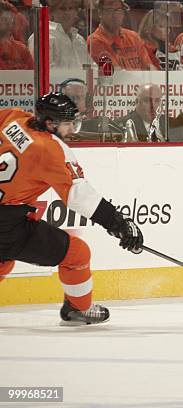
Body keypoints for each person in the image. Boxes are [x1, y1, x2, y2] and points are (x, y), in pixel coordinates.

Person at [0, 93, 144, 325]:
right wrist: (117, 222)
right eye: (68, 124)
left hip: (8, 220)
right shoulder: (50, 148)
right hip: (7, 224)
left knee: (3, 260)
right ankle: (78, 308)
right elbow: (79, 197)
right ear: (49, 123)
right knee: (76, 253)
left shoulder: (14, 118)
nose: (72, 129)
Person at [87, 0, 154, 70]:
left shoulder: (134, 37)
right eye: (110, 10)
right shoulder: (95, 41)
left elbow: (149, 67)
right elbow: (116, 73)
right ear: (100, 13)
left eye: (118, 10)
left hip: (141, 80)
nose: (115, 14)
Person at [27, 0, 92, 69]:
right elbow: (43, 72)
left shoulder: (79, 39)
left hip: (80, 79)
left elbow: (91, 67)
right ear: (51, 12)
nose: (67, 13)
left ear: (76, 12)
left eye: (71, 8)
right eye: (62, 9)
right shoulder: (42, 37)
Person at [0, 2, 33, 70]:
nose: (9, 22)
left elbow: (32, 76)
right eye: (5, 19)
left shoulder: (22, 49)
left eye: (11, 19)